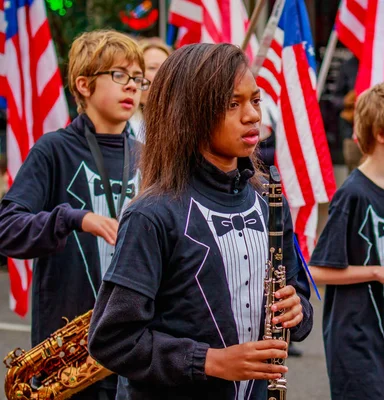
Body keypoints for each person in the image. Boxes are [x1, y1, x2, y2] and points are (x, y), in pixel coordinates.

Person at [87, 43, 313, 399]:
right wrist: (209, 361)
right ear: (189, 114)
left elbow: (298, 295)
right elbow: (112, 339)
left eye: (255, 100)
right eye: (231, 104)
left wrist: (298, 310)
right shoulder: (153, 214)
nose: (253, 115)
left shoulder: (269, 200)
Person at [0, 29, 147, 399]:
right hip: (69, 358)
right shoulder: (54, 150)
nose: (132, 86)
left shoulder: (150, 156)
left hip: (136, 348)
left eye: (137, 78)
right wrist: (73, 218)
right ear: (83, 84)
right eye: (118, 75)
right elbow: (7, 229)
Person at [309, 81, 384, 400]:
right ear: (380, 133)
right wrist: (378, 272)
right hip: (358, 341)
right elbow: (317, 271)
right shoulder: (353, 194)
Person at [129, 37, 171, 142]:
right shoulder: (121, 118)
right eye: (152, 68)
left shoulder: (179, 118)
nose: (162, 74)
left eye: (166, 68)